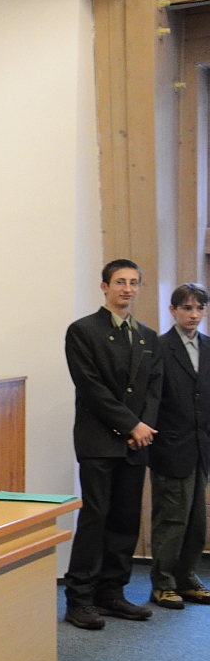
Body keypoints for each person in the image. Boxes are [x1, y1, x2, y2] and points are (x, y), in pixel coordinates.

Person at [63, 258, 162, 630]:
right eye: (120, 282)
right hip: (99, 441)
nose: (127, 289)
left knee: (124, 520)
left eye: (134, 282)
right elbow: (91, 388)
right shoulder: (83, 331)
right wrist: (131, 424)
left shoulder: (148, 336)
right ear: (104, 286)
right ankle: (79, 600)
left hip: (137, 443)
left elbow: (154, 389)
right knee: (96, 518)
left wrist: (143, 428)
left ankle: (111, 594)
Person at [148, 283, 210, 609]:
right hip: (170, 447)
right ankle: (163, 583)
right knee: (172, 520)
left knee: (197, 521)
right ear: (173, 311)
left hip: (201, 448)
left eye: (199, 308)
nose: (194, 315)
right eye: (187, 308)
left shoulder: (208, 346)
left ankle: (185, 578)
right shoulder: (159, 348)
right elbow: (151, 400)